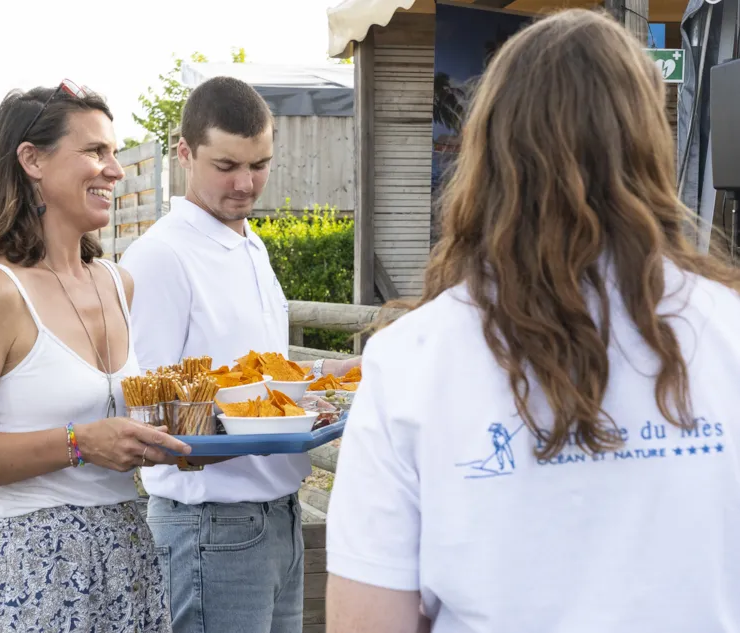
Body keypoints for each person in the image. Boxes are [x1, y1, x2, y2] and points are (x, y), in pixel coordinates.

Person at [325, 9, 740, 633]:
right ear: (651, 143)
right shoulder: (729, 331)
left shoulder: (411, 360)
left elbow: (366, 622)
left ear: (488, 150)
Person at [0, 80, 191, 633]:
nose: (116, 169)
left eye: (114, 151)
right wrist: (79, 444)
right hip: (30, 573)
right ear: (32, 160)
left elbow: (118, 425)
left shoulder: (117, 283)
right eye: (95, 151)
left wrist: (185, 435)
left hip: (128, 560)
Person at [120, 76, 360, 633]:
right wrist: (251, 429)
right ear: (184, 153)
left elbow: (254, 377)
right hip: (210, 528)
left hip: (280, 515)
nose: (246, 183)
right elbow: (147, 410)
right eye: (226, 166)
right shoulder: (160, 256)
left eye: (260, 164)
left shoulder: (251, 242)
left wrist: (326, 377)